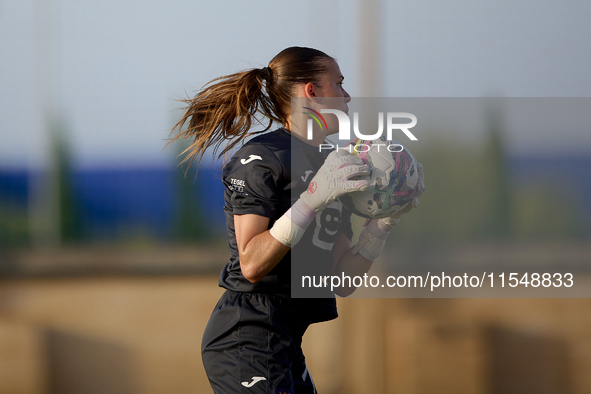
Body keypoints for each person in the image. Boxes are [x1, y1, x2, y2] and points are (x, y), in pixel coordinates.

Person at [169, 47, 424, 394]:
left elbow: (343, 279)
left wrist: (383, 224)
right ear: (311, 91)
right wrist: (311, 199)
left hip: (285, 342)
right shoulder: (262, 158)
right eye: (339, 83)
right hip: (246, 338)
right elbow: (252, 262)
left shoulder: (334, 165)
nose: (347, 96)